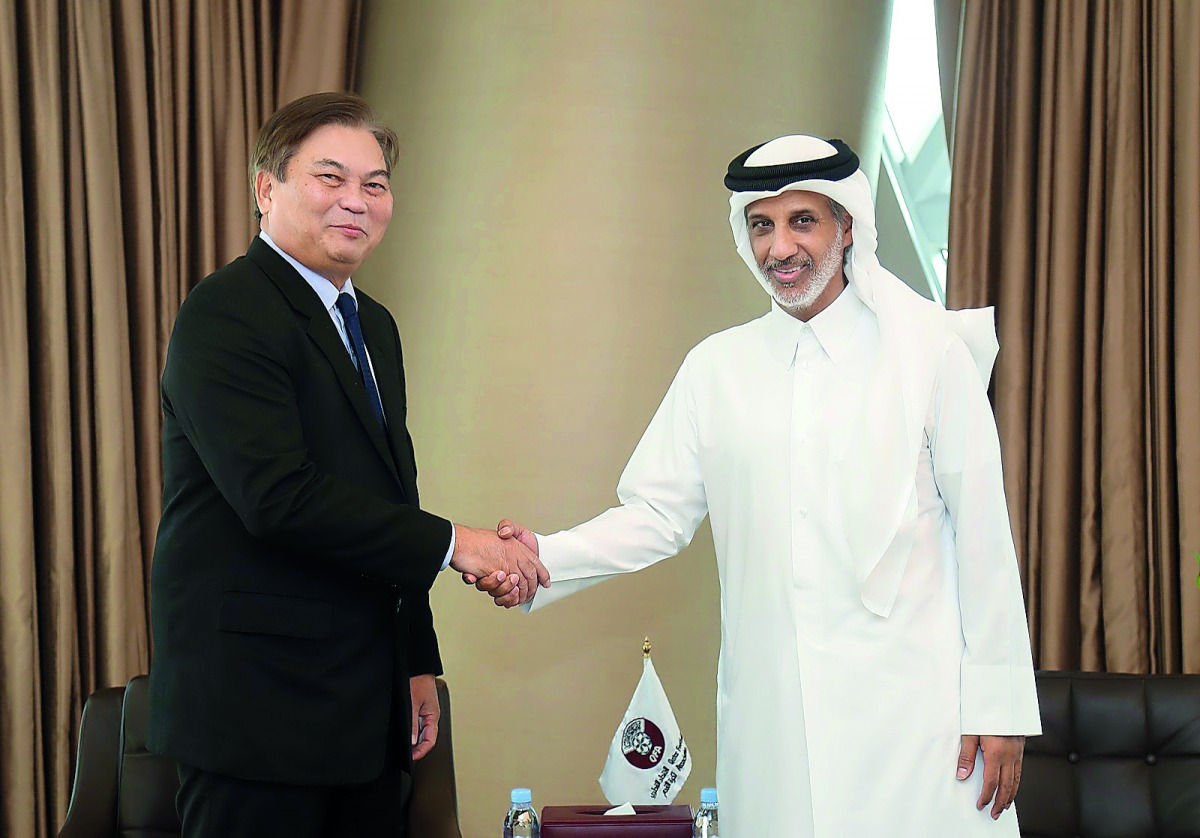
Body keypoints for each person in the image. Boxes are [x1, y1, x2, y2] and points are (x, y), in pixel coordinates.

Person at [479, 135, 1041, 836]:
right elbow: (655, 515)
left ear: (846, 226)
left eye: (802, 220)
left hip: (917, 724)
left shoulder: (931, 357)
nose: (780, 248)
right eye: (761, 225)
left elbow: (985, 536)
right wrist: (544, 557)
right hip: (775, 723)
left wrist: (999, 707)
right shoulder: (718, 368)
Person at [148, 92, 545, 838]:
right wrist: (464, 545)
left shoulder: (374, 325)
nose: (356, 201)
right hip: (256, 716)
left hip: (361, 712)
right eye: (330, 178)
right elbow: (278, 498)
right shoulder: (225, 312)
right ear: (267, 188)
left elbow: (391, 495)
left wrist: (415, 657)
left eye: (374, 183)